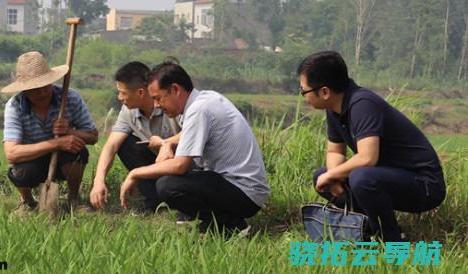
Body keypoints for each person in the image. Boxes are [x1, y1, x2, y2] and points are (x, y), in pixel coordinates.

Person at [298, 51, 446, 241]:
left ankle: (391, 239)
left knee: (362, 177)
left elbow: (368, 158)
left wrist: (333, 174)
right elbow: (335, 150)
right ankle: (366, 229)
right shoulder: (334, 109)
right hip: (388, 176)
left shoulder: (362, 104)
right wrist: (334, 178)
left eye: (304, 91)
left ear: (325, 92)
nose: (303, 96)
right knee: (322, 176)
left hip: (424, 185)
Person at [118, 61, 270, 235]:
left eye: (158, 98)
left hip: (244, 192)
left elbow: (179, 165)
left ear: (175, 89)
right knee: (178, 177)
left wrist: (134, 173)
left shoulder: (199, 110)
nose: (157, 105)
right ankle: (212, 222)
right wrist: (167, 143)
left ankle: (232, 225)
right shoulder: (205, 99)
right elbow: (185, 141)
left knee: (168, 185)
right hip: (243, 188)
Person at [2, 51, 98, 213]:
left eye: (44, 86)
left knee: (78, 151)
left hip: (63, 159)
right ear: (24, 89)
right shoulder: (15, 106)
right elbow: (12, 153)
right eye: (34, 89)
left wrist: (69, 131)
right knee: (20, 172)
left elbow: (93, 136)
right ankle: (27, 201)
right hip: (32, 160)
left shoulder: (70, 97)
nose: (41, 93)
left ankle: (73, 199)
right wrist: (55, 143)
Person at [89, 61, 182, 214]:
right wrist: (98, 181)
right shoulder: (128, 110)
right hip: (156, 161)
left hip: (182, 161)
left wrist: (167, 143)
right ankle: (153, 200)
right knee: (124, 144)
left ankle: (177, 199)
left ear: (140, 92)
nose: (119, 97)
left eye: (123, 93)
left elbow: (192, 132)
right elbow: (111, 146)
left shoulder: (170, 103)